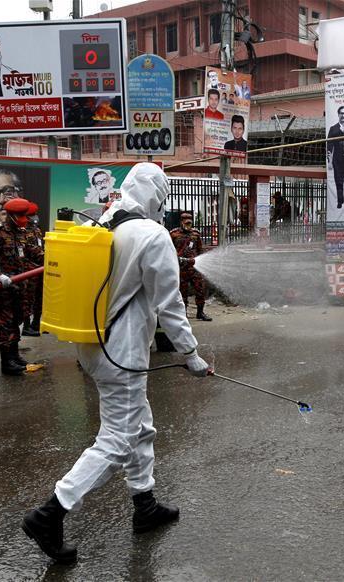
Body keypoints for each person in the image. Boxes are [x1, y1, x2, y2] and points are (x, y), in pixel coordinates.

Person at [22, 163, 210, 565]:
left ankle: (145, 504)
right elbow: (169, 305)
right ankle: (49, 513)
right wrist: (191, 355)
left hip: (91, 344)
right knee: (117, 439)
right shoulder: (151, 235)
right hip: (121, 354)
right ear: (157, 197)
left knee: (140, 427)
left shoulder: (104, 223)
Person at [0, 198, 44, 376]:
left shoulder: (21, 232)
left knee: (16, 321)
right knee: (5, 324)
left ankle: (14, 355)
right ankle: (6, 361)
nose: (24, 219)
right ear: (11, 215)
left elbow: (32, 251)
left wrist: (52, 258)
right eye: (21, 215)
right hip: (3, 289)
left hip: (19, 288)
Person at [170, 211, 212, 322]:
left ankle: (200, 312)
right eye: (186, 223)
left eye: (190, 223)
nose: (188, 225)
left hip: (194, 268)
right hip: (181, 268)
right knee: (182, 293)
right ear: (181, 222)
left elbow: (199, 249)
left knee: (200, 289)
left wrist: (199, 260)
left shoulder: (196, 234)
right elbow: (169, 250)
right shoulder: (174, 234)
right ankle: (183, 314)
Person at [22, 202, 45, 337]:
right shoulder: (23, 231)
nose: (35, 217)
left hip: (40, 269)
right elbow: (30, 249)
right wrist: (46, 256)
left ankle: (36, 323)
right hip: (29, 270)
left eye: (35, 214)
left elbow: (40, 246)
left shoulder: (36, 230)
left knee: (39, 298)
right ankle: (26, 326)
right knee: (27, 299)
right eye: (31, 215)